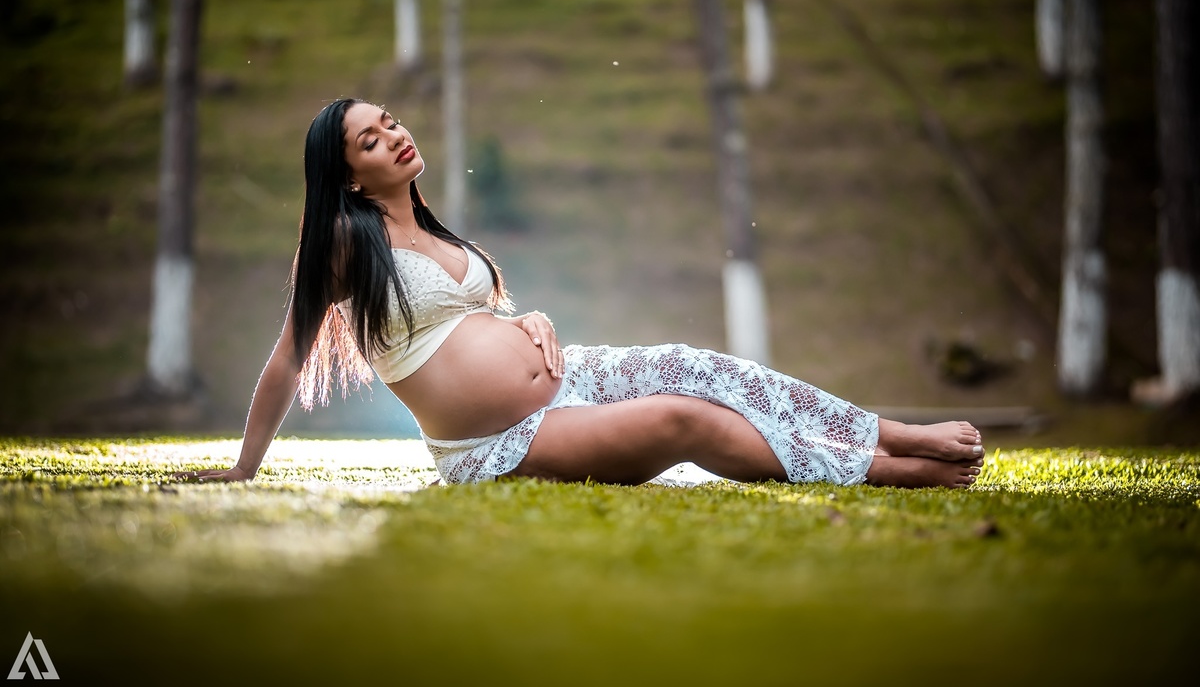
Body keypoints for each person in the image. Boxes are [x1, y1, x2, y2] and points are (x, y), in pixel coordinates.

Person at [175, 99, 984, 488]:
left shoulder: (434, 230)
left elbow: (472, 321)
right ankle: (889, 469)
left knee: (705, 368)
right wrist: (245, 468)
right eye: (371, 138)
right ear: (348, 172)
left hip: (569, 384)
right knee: (685, 420)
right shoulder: (351, 247)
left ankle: (893, 432)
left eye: (390, 121)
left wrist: (522, 315)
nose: (395, 135)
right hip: (497, 445)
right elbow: (288, 360)